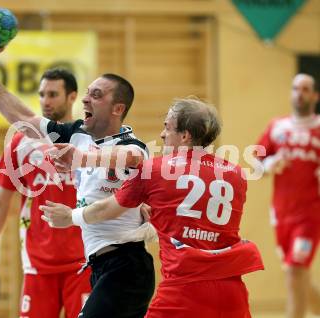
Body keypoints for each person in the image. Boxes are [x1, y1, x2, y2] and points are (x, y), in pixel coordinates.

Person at [0, 44, 155, 318]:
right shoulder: (74, 134)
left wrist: (82, 160)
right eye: (87, 93)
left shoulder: (133, 145)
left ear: (118, 108)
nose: (86, 100)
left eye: (96, 95)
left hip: (122, 262)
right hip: (97, 263)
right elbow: (22, 117)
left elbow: (131, 158)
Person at [42, 98, 264, 318]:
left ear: (185, 135)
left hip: (183, 291)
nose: (162, 134)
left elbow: (106, 210)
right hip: (232, 291)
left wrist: (71, 216)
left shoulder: (155, 170)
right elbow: (193, 215)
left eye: (167, 127)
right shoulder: (236, 174)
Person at [0, 69, 91, 318]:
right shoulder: (19, 143)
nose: (45, 100)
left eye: (53, 94)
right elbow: (1, 202)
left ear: (72, 97)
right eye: (42, 94)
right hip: (37, 265)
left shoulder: (89, 141)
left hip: (84, 262)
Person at [256, 73, 320, 318]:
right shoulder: (277, 127)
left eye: (305, 89)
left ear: (314, 96)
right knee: (296, 276)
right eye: (295, 88)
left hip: (310, 215)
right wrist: (270, 163)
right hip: (282, 214)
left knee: (295, 271)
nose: (299, 93)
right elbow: (255, 163)